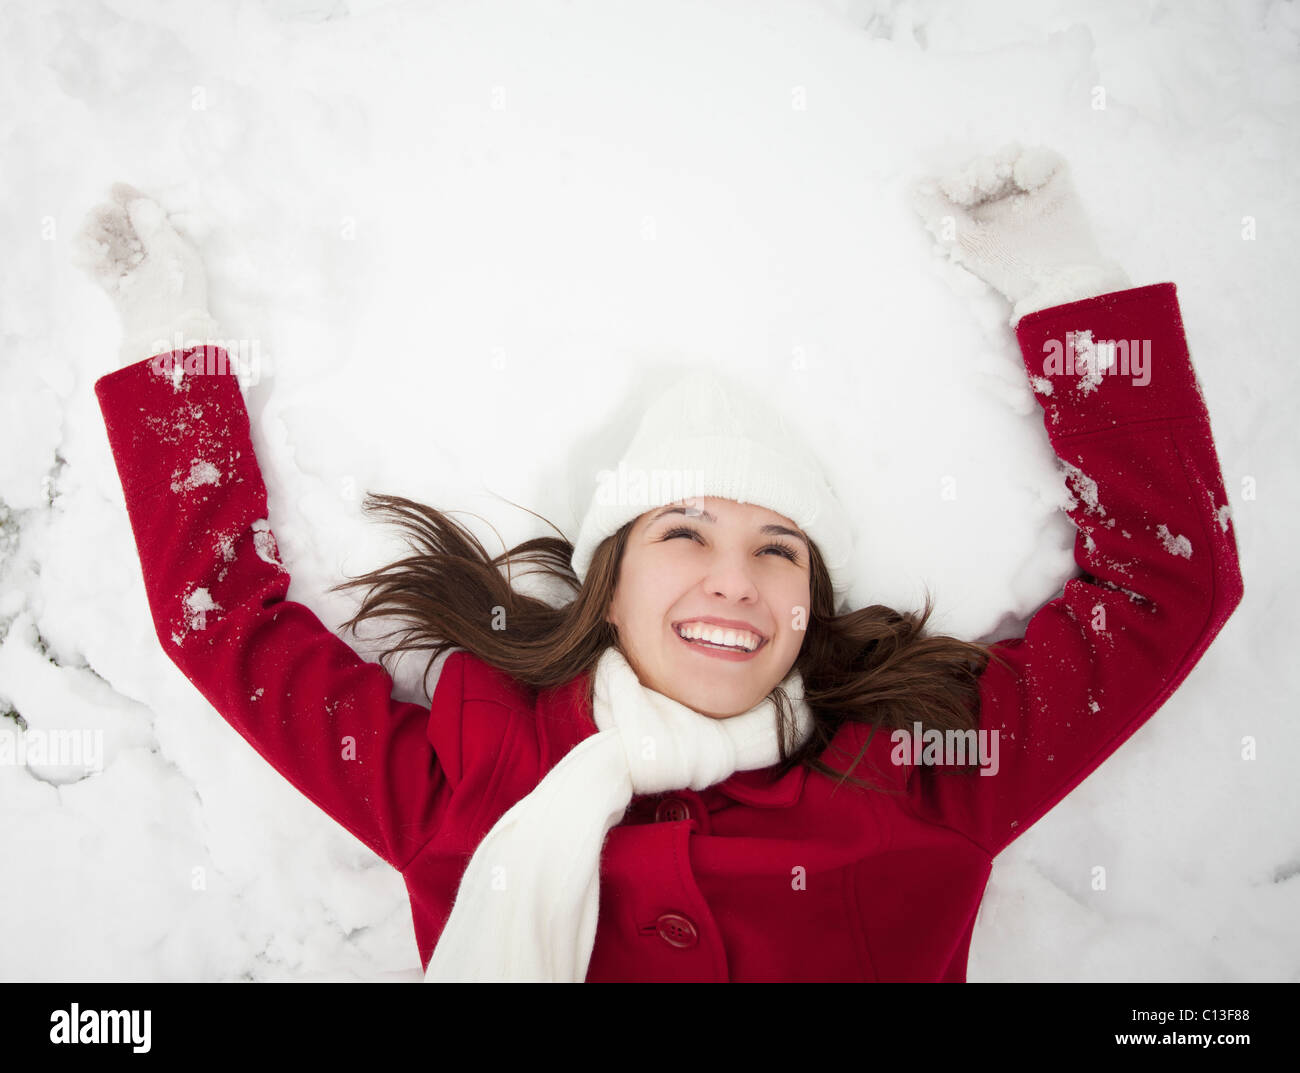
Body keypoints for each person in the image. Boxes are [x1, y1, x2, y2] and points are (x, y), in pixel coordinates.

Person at [75, 143, 1244, 982]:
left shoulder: (926, 769)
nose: (733, 578)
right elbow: (229, 626)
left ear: (809, 606)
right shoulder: (473, 781)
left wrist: (1062, 286)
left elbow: (1164, 583)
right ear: (609, 586)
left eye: (778, 549)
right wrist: (168, 345)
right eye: (681, 532)